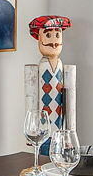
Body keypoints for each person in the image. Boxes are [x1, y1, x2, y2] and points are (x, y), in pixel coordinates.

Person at [23, 14, 75, 157]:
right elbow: (31, 98)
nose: (54, 41)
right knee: (45, 159)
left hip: (60, 129)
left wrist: (71, 132)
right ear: (39, 39)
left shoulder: (63, 68)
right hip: (43, 129)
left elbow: (69, 101)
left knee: (60, 158)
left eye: (57, 35)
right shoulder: (39, 67)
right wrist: (31, 131)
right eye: (48, 35)